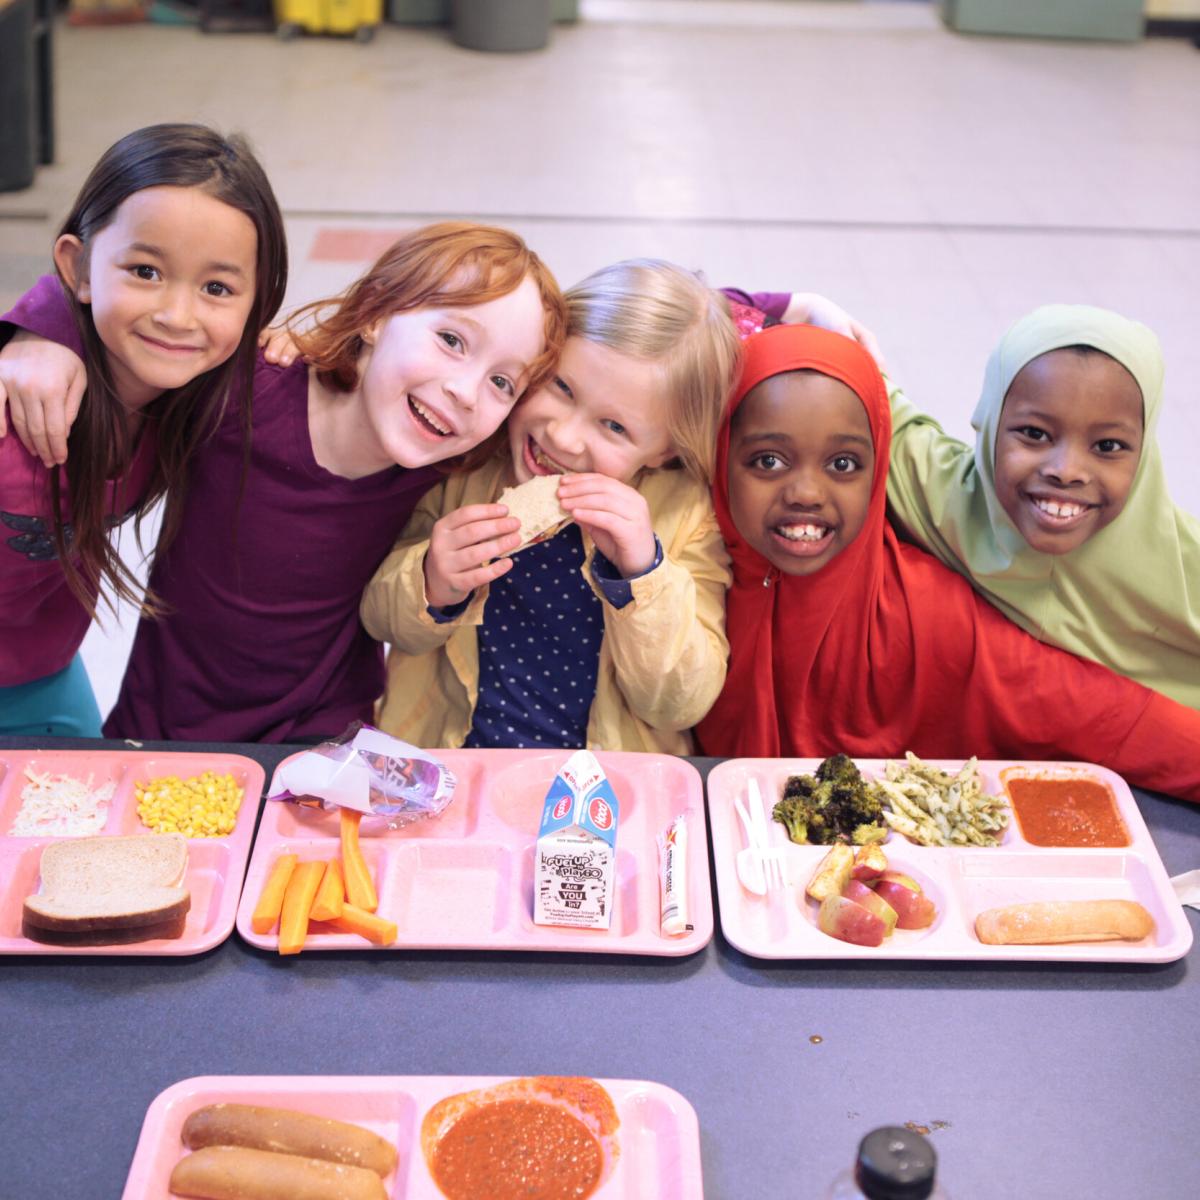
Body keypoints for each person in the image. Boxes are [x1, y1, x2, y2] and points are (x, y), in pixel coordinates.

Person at [0, 222, 566, 741]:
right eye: (451, 340)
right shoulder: (240, 391)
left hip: (322, 746)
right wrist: (40, 335)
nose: (465, 391)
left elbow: (607, 417)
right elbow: (129, 337)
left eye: (501, 382)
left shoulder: (452, 463)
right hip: (166, 731)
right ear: (374, 314)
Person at [697, 323, 1200, 801]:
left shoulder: (927, 617)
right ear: (717, 456)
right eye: (767, 460)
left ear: (878, 474)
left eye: (844, 464)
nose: (806, 492)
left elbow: (1101, 713)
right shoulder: (677, 569)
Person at [360, 259, 740, 753]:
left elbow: (676, 704)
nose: (563, 435)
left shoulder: (685, 515)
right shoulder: (468, 462)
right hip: (455, 769)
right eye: (561, 387)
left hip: (606, 794)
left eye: (615, 427)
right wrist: (431, 579)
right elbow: (381, 622)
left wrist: (644, 572)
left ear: (665, 450)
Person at [0, 123, 287, 736]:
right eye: (145, 271)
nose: (177, 315)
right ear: (77, 267)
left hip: (39, 673)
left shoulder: (200, 397)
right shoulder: (15, 408)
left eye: (217, 288)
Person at [884, 305, 1200, 709]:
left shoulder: (1186, 572)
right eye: (1034, 434)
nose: (1066, 471)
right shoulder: (939, 491)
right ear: (989, 424)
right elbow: (860, 392)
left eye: (1107, 446)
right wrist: (800, 305)